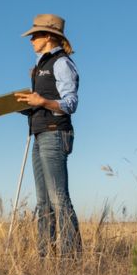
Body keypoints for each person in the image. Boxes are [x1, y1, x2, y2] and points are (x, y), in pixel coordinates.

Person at [15, 14, 83, 257]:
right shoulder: (40, 66)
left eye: (35, 34)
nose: (31, 39)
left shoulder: (61, 62)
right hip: (39, 133)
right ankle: (44, 255)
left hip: (55, 133)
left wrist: (41, 100)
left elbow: (71, 103)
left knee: (58, 198)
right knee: (43, 201)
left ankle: (71, 257)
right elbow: (43, 102)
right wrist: (28, 105)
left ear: (48, 36)